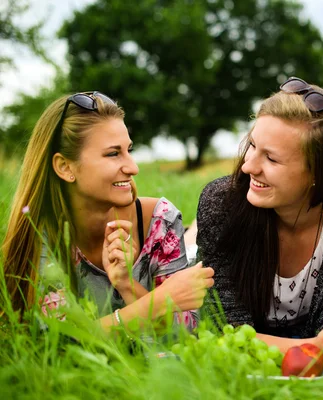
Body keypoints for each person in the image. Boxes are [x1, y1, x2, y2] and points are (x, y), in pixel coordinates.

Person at [196, 77, 323, 365]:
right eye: (252, 146)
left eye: (271, 159)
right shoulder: (220, 203)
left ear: (319, 173)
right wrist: (315, 345)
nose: (248, 166)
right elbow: (225, 331)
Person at [1, 91, 214, 334]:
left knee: (194, 240)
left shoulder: (159, 220)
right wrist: (159, 301)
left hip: (182, 247)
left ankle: (192, 230)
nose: (133, 168)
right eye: (113, 154)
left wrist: (126, 284)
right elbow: (59, 340)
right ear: (64, 167)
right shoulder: (40, 233)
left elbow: (184, 333)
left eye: (128, 151)